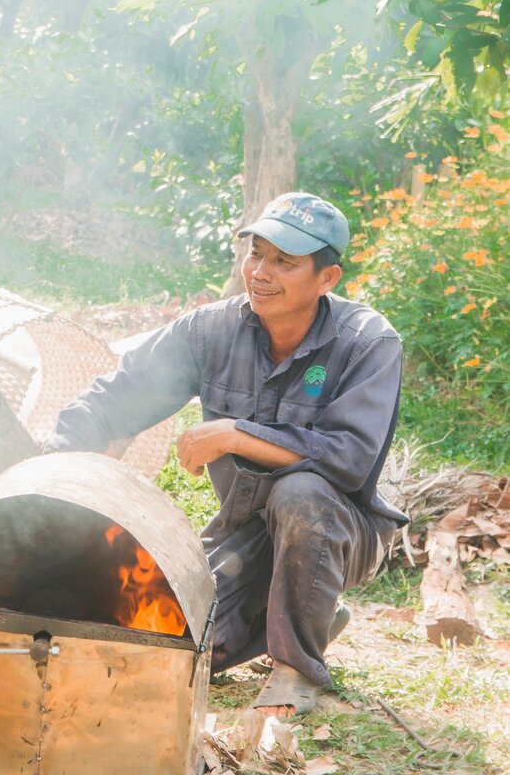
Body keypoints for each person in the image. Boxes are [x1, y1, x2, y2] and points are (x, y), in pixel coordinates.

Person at [43, 192, 407, 716]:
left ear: (327, 279)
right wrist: (53, 463)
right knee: (172, 648)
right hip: (245, 529)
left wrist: (235, 434)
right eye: (256, 253)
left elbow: (345, 461)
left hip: (341, 527)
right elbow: (118, 396)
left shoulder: (368, 343)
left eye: (285, 262)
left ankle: (296, 669)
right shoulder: (210, 330)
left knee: (301, 492)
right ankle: (307, 612)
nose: (261, 272)